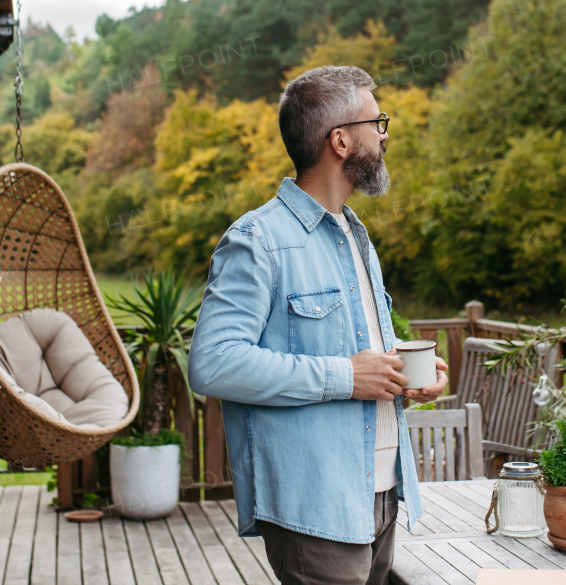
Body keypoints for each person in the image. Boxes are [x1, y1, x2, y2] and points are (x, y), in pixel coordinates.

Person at [188, 65, 448, 585]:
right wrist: (347, 377)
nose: (385, 133)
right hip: (318, 503)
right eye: (377, 121)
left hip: (382, 494)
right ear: (341, 141)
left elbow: (346, 343)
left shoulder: (355, 234)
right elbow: (212, 363)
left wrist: (399, 366)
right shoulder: (257, 240)